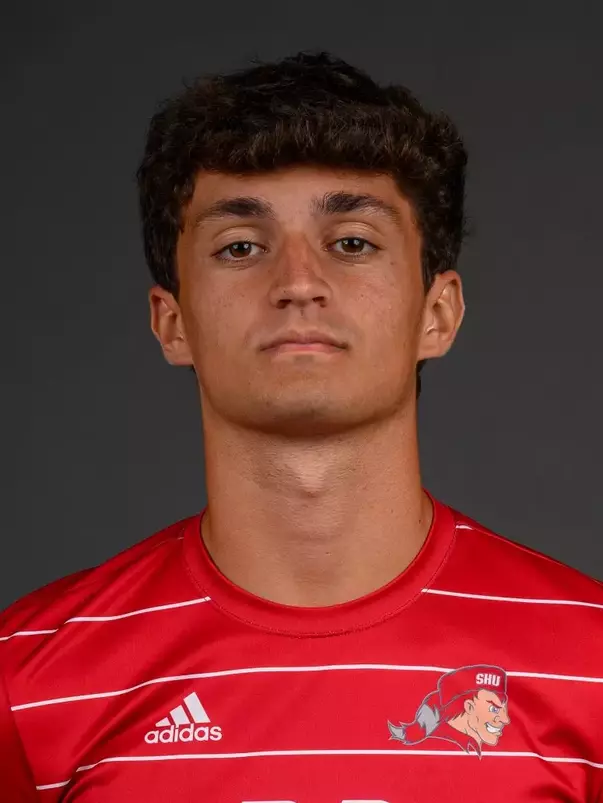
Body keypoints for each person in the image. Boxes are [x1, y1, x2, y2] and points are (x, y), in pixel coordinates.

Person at [1, 50, 601, 803]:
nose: (298, 283)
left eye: (352, 242)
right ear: (172, 321)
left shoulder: (593, 664)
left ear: (437, 313)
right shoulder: (27, 681)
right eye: (240, 247)